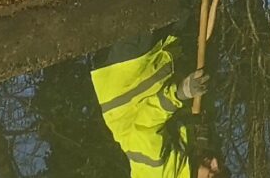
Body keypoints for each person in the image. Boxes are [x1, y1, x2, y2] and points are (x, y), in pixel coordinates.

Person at [90, 28, 221, 178]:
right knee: (180, 15)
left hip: (128, 78)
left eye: (212, 175)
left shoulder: (158, 173)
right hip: (158, 66)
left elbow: (145, 126)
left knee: (143, 16)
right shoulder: (192, 158)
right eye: (220, 168)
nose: (215, 162)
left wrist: (179, 94)